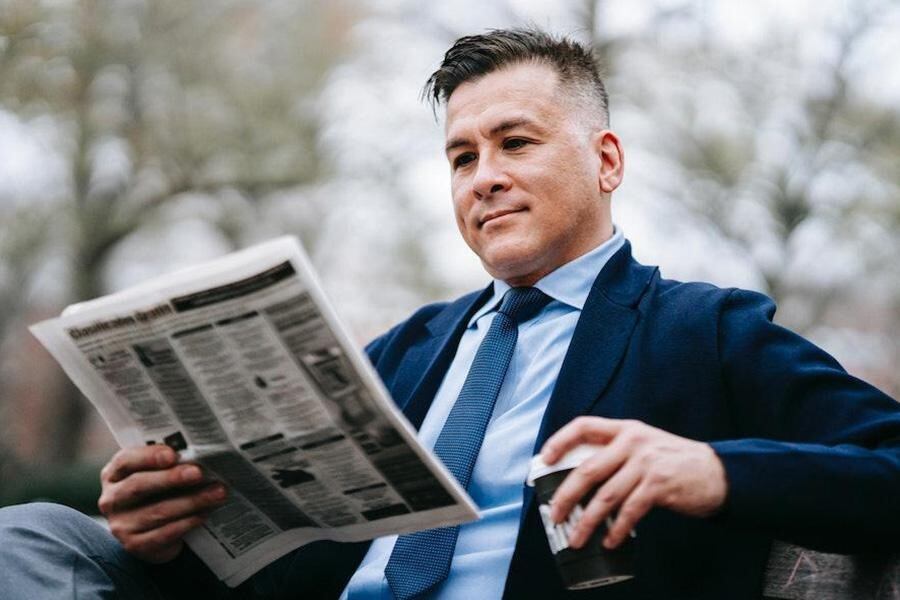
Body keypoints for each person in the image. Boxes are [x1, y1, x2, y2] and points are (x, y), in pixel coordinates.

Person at [0, 27, 898, 600]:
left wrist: (713, 469)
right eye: (461, 157)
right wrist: (159, 525)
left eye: (515, 143)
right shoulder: (410, 347)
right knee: (33, 535)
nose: (484, 177)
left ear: (607, 161)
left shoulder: (705, 330)